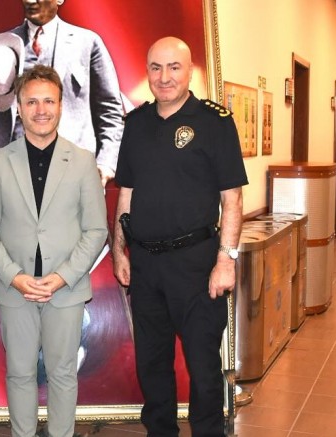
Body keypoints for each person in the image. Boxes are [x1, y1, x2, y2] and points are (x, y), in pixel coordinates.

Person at [111, 37, 248, 437]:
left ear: (190, 71)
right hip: (146, 265)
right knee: (152, 363)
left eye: (174, 67)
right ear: (147, 72)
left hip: (197, 264)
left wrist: (226, 260)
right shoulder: (135, 124)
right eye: (156, 67)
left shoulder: (215, 122)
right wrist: (119, 251)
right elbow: (126, 193)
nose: (164, 77)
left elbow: (233, 199)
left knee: (203, 367)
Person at [0, 65, 108, 437]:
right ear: (18, 107)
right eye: (32, 102)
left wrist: (63, 276)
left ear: (61, 106)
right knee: (19, 373)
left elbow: (96, 230)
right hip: (15, 289)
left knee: (63, 373)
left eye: (49, 101)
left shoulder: (82, 161)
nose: (41, 110)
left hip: (65, 288)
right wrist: (14, 276)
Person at [0, 0, 125, 186]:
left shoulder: (87, 42)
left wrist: (106, 163)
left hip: (72, 170)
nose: (30, 1)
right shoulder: (2, 43)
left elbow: (109, 110)